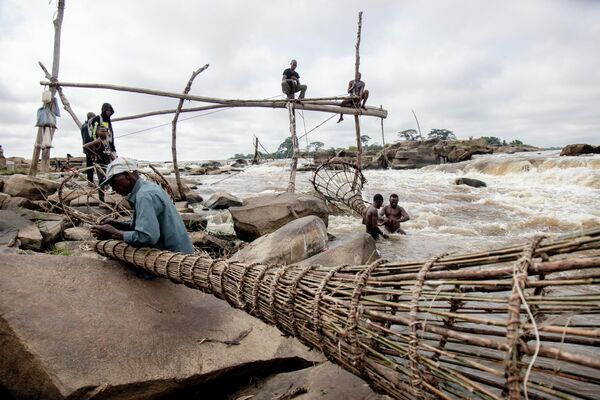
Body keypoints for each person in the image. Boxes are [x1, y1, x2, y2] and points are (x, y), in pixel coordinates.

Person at [90, 157, 195, 254]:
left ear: (127, 175)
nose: (113, 189)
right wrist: (117, 224)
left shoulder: (144, 196)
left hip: (175, 256)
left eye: (114, 183)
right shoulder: (148, 188)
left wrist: (113, 233)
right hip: (182, 250)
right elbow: (145, 224)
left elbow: (147, 237)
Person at [81, 111, 96, 183]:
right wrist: (92, 149)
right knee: (90, 166)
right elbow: (88, 139)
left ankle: (90, 181)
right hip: (89, 148)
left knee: (90, 165)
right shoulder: (87, 126)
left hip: (87, 148)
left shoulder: (84, 125)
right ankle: (90, 181)